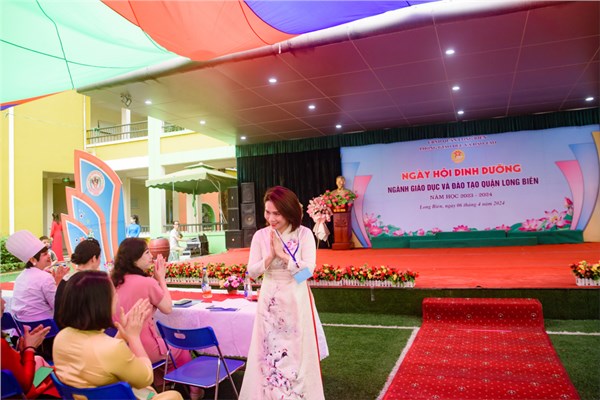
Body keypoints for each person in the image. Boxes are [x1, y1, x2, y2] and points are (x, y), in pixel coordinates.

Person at [239, 186, 325, 399]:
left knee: (297, 348)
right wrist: (269, 258)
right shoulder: (260, 236)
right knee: (268, 348)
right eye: (267, 212)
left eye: (276, 213)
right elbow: (252, 273)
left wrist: (283, 255)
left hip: (296, 296)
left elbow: (306, 274)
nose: (271, 218)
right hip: (270, 297)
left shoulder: (304, 234)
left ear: (289, 211)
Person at [52, 270, 182, 400]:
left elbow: (100, 361)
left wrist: (122, 332)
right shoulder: (112, 348)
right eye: (114, 293)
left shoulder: (61, 337)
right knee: (173, 395)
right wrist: (134, 337)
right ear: (102, 303)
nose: (117, 297)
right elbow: (146, 378)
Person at [111, 238, 202, 399]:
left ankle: (162, 386)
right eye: (147, 253)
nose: (151, 257)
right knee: (179, 347)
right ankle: (194, 389)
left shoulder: (114, 282)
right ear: (135, 258)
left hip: (120, 346)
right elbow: (167, 308)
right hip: (144, 346)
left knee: (164, 349)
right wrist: (161, 279)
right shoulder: (146, 282)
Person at [6, 230, 69, 360]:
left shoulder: (21, 276)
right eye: (44, 254)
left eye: (48, 253)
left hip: (23, 330)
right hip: (47, 333)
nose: (48, 256)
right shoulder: (45, 277)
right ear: (33, 260)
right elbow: (57, 306)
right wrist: (58, 282)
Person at [1, 296, 59, 398]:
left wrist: (23, 351)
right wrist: (29, 349)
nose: (4, 301)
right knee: (56, 373)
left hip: (11, 390)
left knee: (40, 360)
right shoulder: (2, 345)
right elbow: (25, 386)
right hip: (20, 394)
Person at [54, 237, 102, 325]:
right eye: (99, 257)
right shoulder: (93, 282)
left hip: (63, 329)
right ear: (94, 258)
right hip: (84, 330)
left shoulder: (66, 279)